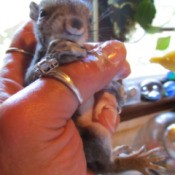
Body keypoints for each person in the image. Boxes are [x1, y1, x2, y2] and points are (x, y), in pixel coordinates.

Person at [0, 21, 130, 175]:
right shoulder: (46, 55)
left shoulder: (81, 52)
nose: (73, 25)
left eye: (85, 19)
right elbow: (33, 78)